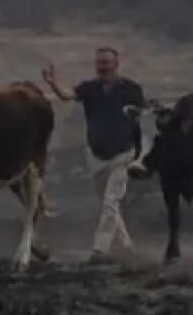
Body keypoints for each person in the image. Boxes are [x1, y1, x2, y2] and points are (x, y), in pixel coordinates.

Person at [42, 47, 146, 263]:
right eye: (99, 63)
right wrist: (52, 82)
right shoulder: (90, 88)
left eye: (106, 63)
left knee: (111, 201)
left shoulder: (131, 89)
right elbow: (66, 95)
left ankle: (99, 249)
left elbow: (142, 114)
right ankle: (126, 247)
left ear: (116, 64)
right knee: (108, 204)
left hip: (123, 153)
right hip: (97, 155)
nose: (102, 67)